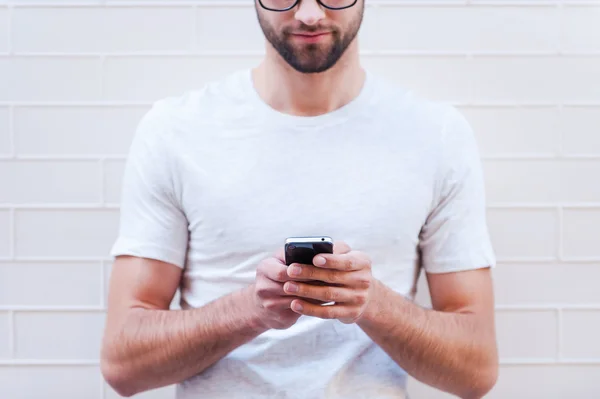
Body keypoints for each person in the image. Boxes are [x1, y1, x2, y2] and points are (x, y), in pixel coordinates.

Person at [100, 0, 499, 398]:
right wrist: (251, 311)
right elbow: (123, 366)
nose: (309, 14)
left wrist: (371, 303)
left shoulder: (436, 135)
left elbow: (476, 371)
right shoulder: (175, 130)